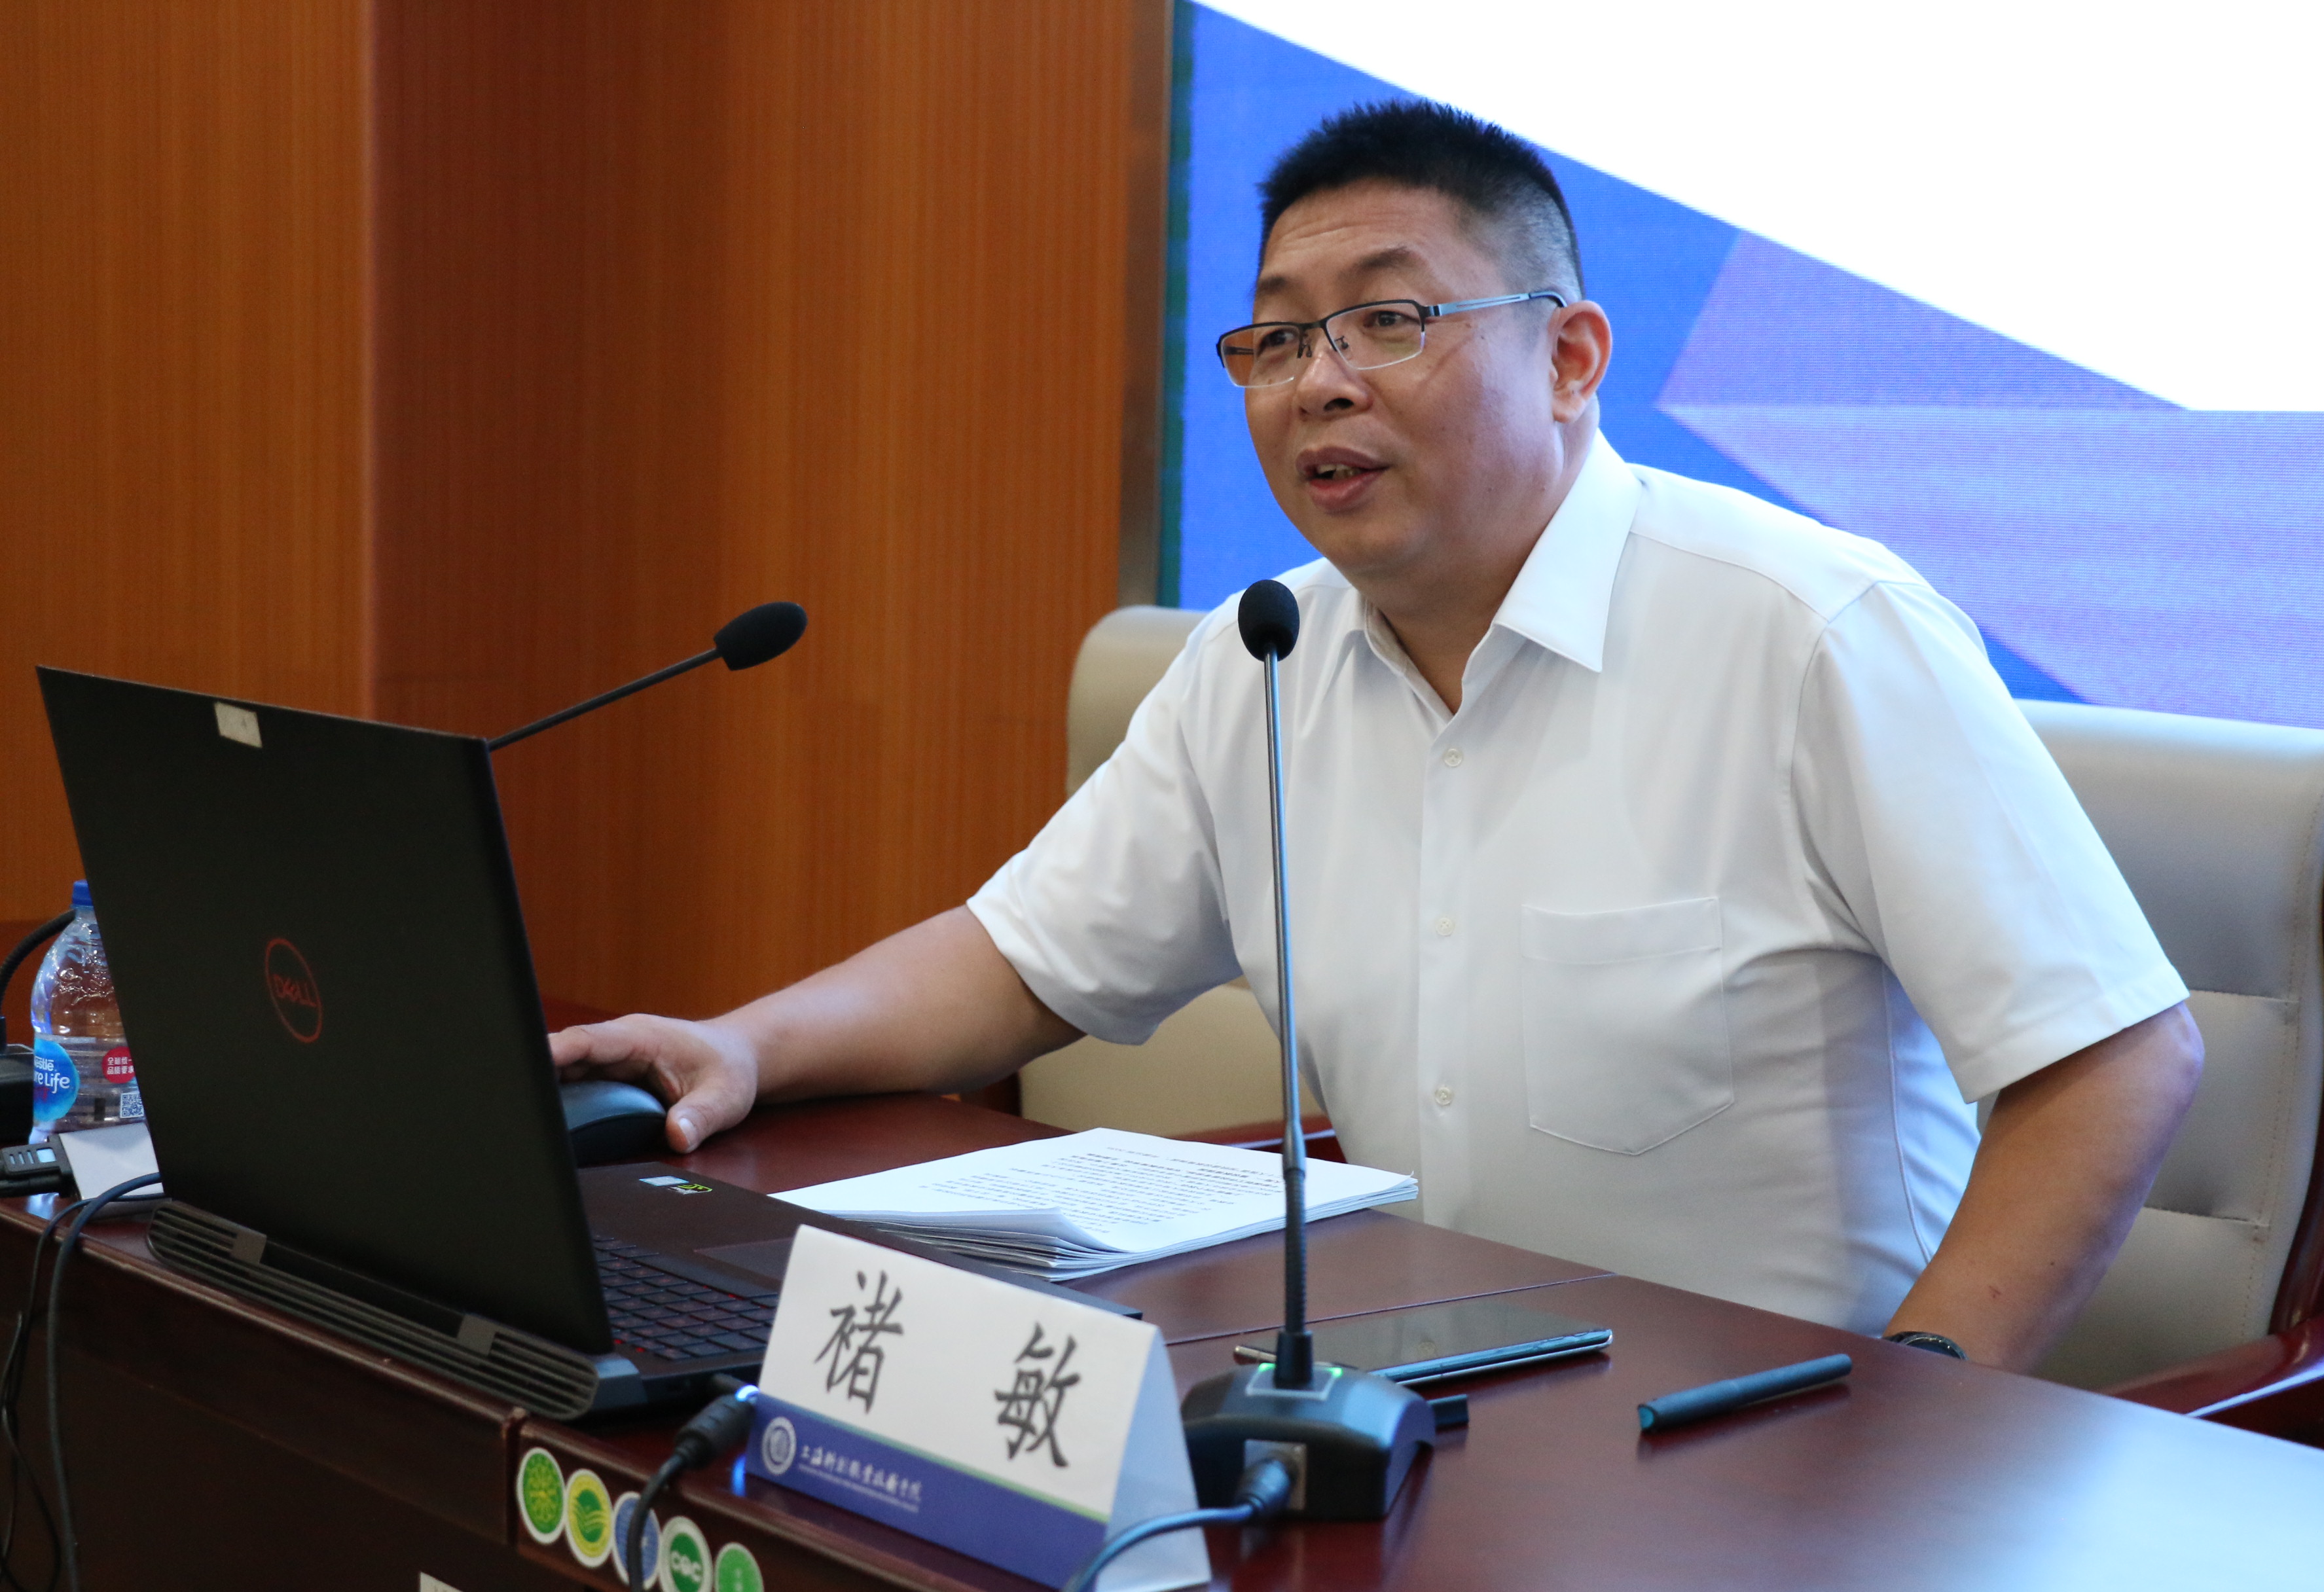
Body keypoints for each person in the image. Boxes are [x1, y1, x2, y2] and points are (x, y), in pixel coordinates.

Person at [554, 101, 2202, 1371]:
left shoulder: (1810, 630)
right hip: (1427, 1413)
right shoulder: (1267, 649)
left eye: (1390, 320)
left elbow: (2116, 1060)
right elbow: (1020, 959)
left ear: (1570, 357)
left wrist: (1916, 1405)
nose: (1318, 384)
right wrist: (744, 1043)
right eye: (1278, 338)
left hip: (1774, 1450)